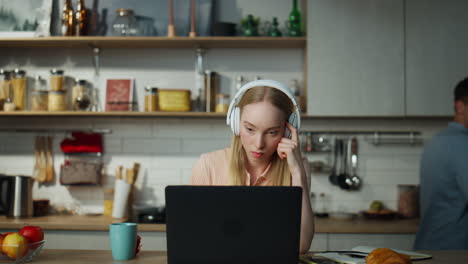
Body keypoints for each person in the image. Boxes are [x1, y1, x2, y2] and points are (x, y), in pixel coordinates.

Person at [190, 79, 314, 254]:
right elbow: (195, 239)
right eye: (250, 129)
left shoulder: (298, 168)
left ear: (287, 131)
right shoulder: (208, 165)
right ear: (236, 124)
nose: (259, 144)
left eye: (272, 132)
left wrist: (297, 172)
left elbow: (301, 245)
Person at [414, 77, 468, 250]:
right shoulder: (462, 144)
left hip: (430, 246)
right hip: (455, 252)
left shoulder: (438, 141)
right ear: (460, 106)